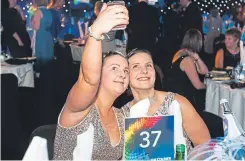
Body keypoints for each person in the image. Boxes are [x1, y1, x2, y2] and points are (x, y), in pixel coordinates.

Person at [53, 3, 129, 160]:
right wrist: (95, 32)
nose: (122, 74)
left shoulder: (122, 117)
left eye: (126, 70)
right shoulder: (81, 109)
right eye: (114, 68)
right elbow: (89, 80)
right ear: (99, 73)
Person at [122, 48, 210, 153]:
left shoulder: (176, 102)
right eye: (136, 66)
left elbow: (205, 147)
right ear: (126, 74)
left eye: (149, 65)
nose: (144, 71)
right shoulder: (123, 114)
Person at [162, 29, 209, 114]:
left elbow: (204, 71)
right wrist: (210, 87)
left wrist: (197, 57)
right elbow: (198, 85)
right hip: (184, 99)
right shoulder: (187, 60)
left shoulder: (181, 53)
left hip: (177, 96)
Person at [32, 0, 53, 72]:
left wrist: (32, 22)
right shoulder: (49, 12)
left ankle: (40, 77)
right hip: (48, 36)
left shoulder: (38, 12)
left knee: (41, 56)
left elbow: (36, 27)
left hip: (41, 36)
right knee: (48, 56)